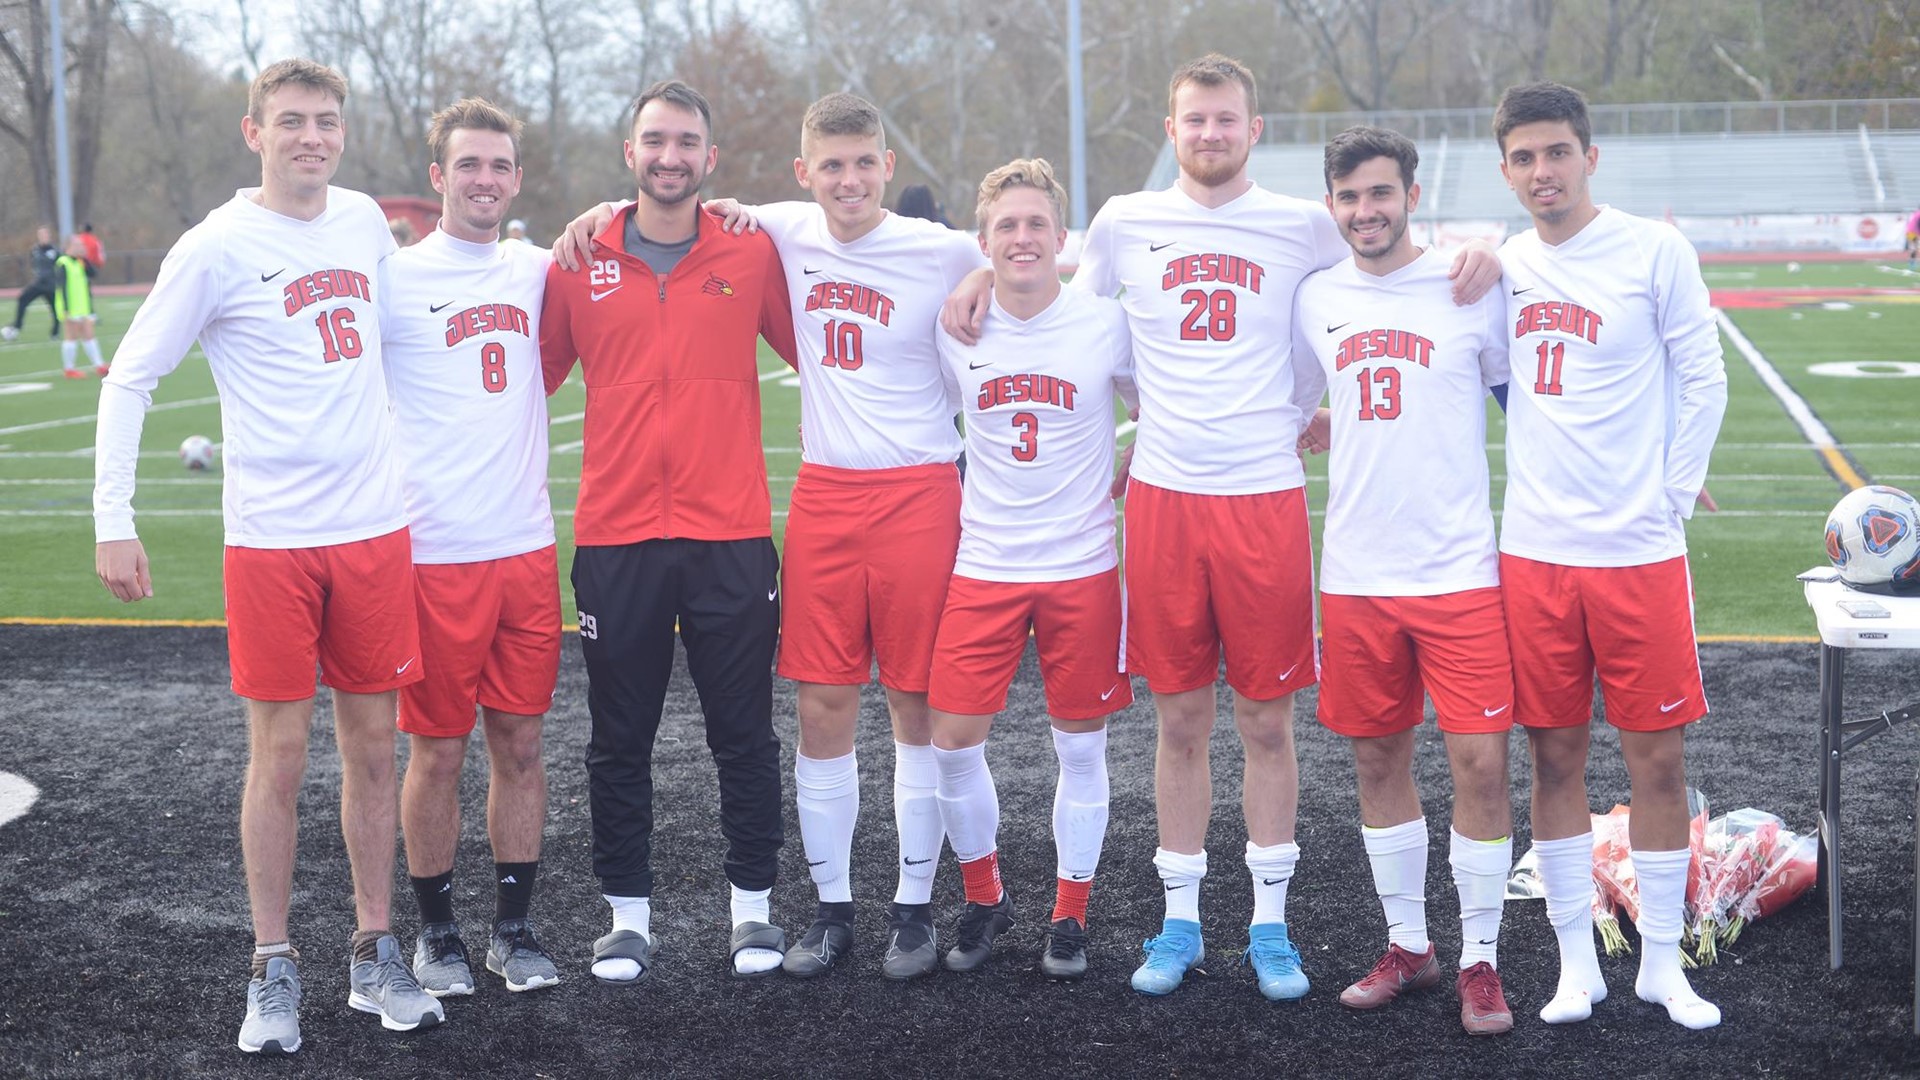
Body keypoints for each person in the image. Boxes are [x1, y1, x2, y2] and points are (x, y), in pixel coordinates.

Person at [943, 53, 1499, 1001]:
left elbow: (1387, 266)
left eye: (1226, 120)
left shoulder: (1303, 225)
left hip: (1265, 498)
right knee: (1181, 720)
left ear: (1255, 128)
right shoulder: (1124, 220)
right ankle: (1180, 920)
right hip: (1162, 498)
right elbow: (1052, 292)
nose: (1210, 134)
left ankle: (1269, 926)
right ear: (1172, 130)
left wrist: (1486, 247)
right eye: (1194, 120)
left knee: (1267, 723)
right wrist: (970, 279)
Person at [558, 93, 988, 979]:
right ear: (802, 173)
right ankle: (783, 914)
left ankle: (883, 908)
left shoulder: (784, 244)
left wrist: (986, 270)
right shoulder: (701, 241)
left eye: (863, 162)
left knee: (855, 719)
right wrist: (590, 219)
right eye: (831, 164)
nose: (849, 178)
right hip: (703, 518)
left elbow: (1035, 255)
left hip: (818, 513)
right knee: (758, 719)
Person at [93, 57, 441, 1055]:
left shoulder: (367, 221)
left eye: (325, 122)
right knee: (279, 756)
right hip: (273, 543)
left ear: (342, 131)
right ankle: (273, 963)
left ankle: (375, 950)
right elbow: (130, 378)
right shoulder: (215, 245)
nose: (310, 138)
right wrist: (113, 517)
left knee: (378, 748)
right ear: (255, 133)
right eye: (290, 121)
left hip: (373, 532)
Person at [539, 79, 799, 983]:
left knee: (745, 733)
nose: (671, 156)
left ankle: (755, 911)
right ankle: (626, 917)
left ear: (710, 159)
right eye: (655, 140)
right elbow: (518, 387)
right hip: (616, 538)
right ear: (630, 152)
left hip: (730, 533)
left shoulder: (754, 251)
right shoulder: (575, 260)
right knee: (619, 738)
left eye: (687, 142)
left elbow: (829, 342)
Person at [1493, 81, 1727, 1030]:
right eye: (1523, 157)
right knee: (1553, 760)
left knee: (1657, 761)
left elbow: (1703, 376)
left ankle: (1664, 964)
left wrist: (1664, 494)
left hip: (1636, 553)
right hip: (1537, 553)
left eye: (1556, 152)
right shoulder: (1499, 265)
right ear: (1505, 170)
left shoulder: (1652, 249)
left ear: (1590, 157)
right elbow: (1497, 384)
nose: (1542, 172)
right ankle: (1574, 963)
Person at [1290, 126, 1515, 1035]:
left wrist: (1493, 246)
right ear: (1332, 203)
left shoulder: (1471, 285)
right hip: (1354, 572)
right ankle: (1409, 944)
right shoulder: (1315, 298)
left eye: (1380, 194)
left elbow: (1527, 400)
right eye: (1348, 198)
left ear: (1412, 195)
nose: (1364, 212)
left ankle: (1483, 961)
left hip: (1458, 568)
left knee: (1481, 761)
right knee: (1377, 756)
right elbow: (1291, 400)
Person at [927, 157, 1135, 981]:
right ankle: (985, 895)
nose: (1022, 238)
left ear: (1061, 237)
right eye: (1006, 227)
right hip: (985, 562)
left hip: (1082, 565)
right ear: (984, 241)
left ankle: (1070, 913)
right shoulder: (956, 325)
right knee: (952, 742)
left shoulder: (1103, 323)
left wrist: (1136, 461)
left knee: (1080, 749)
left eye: (1036, 225)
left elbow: (1158, 406)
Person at [379, 97, 562, 1001]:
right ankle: (439, 933)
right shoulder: (394, 277)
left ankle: (514, 928)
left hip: (524, 549)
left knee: (522, 745)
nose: (484, 179)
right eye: (468, 165)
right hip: (434, 553)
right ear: (437, 177)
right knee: (439, 754)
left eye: (499, 165)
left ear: (516, 179)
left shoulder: (537, 268)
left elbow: (618, 230)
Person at [53, 236, 106, 377]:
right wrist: (65, 308)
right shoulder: (63, 263)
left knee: (89, 335)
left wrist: (86, 260)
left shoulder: (80, 262)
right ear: (69, 246)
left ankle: (99, 365)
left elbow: (94, 274)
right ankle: (69, 369)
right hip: (70, 307)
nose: (82, 247)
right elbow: (62, 287)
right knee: (71, 336)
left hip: (83, 306)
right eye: (78, 245)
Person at [3, 226, 59, 341]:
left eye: (46, 235)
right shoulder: (35, 250)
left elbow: (60, 267)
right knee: (22, 298)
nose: (44, 237)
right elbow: (34, 264)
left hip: (50, 285)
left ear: (49, 236)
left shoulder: (55, 251)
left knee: (56, 309)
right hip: (38, 284)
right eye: (41, 235)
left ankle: (55, 333)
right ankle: (17, 326)